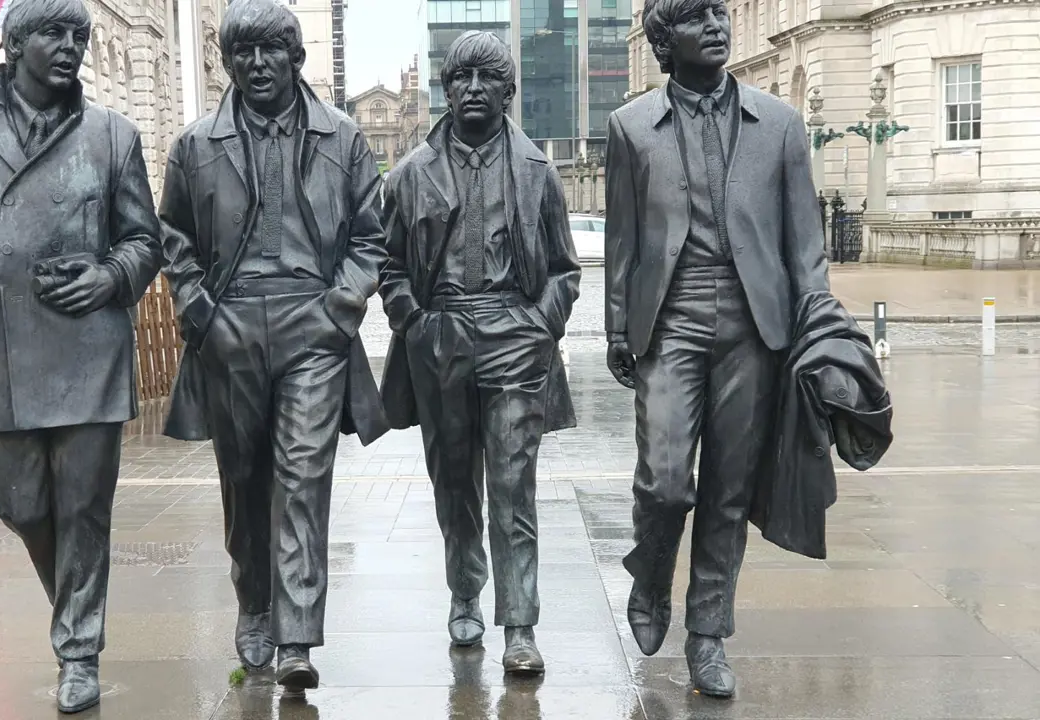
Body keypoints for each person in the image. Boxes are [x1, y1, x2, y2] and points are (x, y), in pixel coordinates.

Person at [0, 0, 161, 712]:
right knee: (20, 506)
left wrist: (111, 277)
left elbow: (145, 240)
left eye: (79, 35)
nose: (70, 47)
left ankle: (78, 652)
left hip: (88, 347)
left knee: (85, 510)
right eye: (54, 34)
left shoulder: (112, 135)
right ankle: (71, 612)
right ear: (14, 45)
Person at [603, 0, 830, 698]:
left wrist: (816, 325)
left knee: (729, 492)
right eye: (698, 17)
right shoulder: (631, 127)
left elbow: (806, 245)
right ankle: (650, 572)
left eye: (720, 13)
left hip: (753, 326)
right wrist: (617, 324)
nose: (718, 26)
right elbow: (623, 240)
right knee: (666, 482)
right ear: (665, 42)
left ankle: (707, 636)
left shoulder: (780, 125)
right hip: (669, 322)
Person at [158, 0, 387, 693]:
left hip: (312, 326)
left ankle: (295, 633)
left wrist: (338, 309)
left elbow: (370, 238)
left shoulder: (342, 139)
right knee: (245, 480)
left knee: (302, 477)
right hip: (228, 328)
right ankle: (253, 600)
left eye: (272, 51)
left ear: (296, 58)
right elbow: (175, 240)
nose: (258, 65)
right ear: (228, 62)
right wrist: (202, 314)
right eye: (244, 53)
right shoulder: (196, 145)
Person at [378, 30, 581, 675]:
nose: (471, 90)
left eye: (485, 79)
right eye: (459, 78)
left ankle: (520, 622)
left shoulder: (537, 172)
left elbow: (564, 269)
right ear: (445, 89)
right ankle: (465, 589)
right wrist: (412, 320)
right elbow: (385, 262)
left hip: (514, 337)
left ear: (506, 91)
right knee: (454, 482)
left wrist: (538, 325)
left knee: (513, 485)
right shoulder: (410, 175)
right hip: (441, 333)